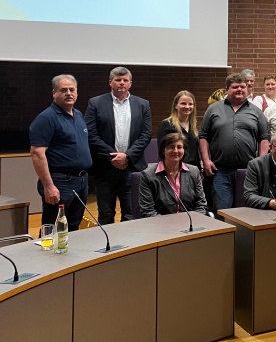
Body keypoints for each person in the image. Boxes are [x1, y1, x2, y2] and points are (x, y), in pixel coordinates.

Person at [86, 66, 152, 225]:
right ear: (110, 82)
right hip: (104, 168)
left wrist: (127, 156)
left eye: (125, 80)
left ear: (130, 83)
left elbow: (146, 135)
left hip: (132, 168)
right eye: (118, 80)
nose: (121, 83)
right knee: (106, 214)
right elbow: (91, 134)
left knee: (131, 214)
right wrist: (114, 157)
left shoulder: (143, 104)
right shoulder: (95, 103)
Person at [199, 73, 271, 210]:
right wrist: (206, 160)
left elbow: (264, 138)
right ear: (227, 89)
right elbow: (203, 136)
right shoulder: (213, 109)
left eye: (242, 86)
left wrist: (261, 161)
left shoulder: (256, 112)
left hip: (248, 170)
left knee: (246, 210)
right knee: (222, 210)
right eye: (235, 87)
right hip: (220, 170)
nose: (239, 89)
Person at [29, 74, 92, 231]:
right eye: (63, 90)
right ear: (54, 93)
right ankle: (46, 256)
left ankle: (69, 256)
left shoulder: (78, 115)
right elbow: (37, 153)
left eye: (72, 90)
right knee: (53, 229)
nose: (69, 93)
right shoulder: (46, 118)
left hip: (81, 181)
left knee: (73, 227)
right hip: (60, 182)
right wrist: (48, 186)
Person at [139, 132, 208, 217]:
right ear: (163, 151)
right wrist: (172, 225)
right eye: (171, 147)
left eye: (179, 147)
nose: (175, 151)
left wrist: (191, 221)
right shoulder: (148, 175)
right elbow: (148, 211)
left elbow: (201, 205)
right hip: (161, 226)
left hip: (190, 225)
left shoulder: (194, 172)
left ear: (184, 150)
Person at [157, 90, 200, 167]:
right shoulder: (166, 125)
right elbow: (162, 152)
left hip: (193, 170)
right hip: (174, 168)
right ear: (175, 105)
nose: (187, 107)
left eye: (190, 104)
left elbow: (195, 153)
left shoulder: (193, 126)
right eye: (183, 103)